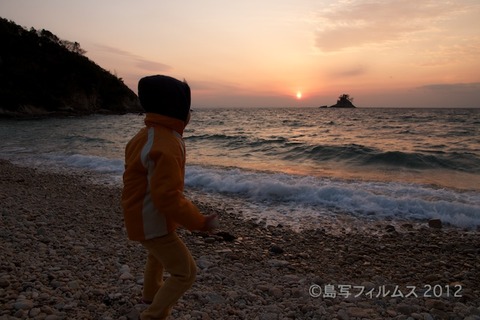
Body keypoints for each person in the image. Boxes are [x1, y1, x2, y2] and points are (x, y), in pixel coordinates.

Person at [121, 75, 218, 320]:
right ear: (177, 110)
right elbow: (166, 197)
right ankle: (153, 315)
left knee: (157, 256)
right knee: (185, 272)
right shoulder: (166, 143)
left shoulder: (145, 136)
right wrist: (199, 222)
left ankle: (151, 295)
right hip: (150, 219)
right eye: (188, 107)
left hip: (141, 215)